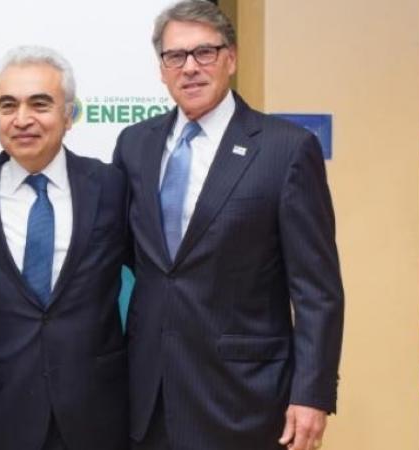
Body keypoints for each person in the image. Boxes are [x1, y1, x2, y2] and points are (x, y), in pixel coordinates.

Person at [112, 2, 344, 450]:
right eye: (175, 56)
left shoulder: (286, 149)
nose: (190, 68)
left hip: (245, 399)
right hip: (149, 396)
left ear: (231, 59)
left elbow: (317, 290)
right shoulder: (134, 145)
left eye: (205, 53)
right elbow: (108, 240)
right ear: (161, 68)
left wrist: (311, 394)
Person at [0, 46, 129, 450]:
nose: (22, 119)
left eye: (40, 104)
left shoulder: (112, 188)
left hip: (96, 414)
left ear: (68, 115)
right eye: (7, 105)